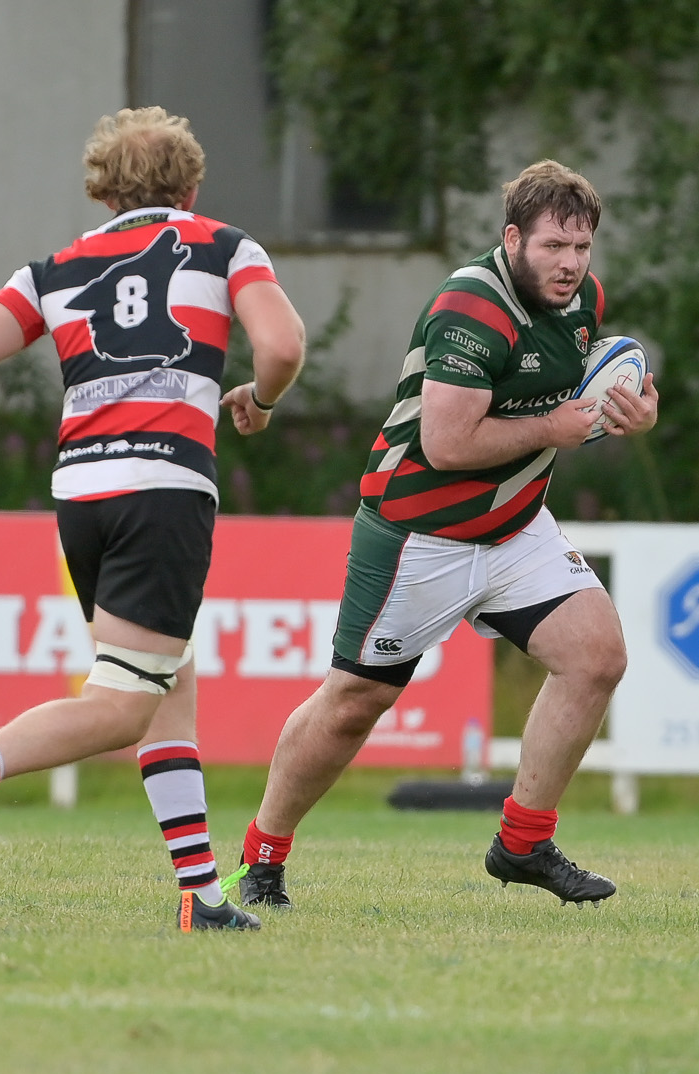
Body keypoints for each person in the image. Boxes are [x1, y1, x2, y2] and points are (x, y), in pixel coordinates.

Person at [0, 107, 305, 932]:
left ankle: (201, 897)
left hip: (82, 493)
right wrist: (259, 399)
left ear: (103, 192)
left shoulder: (54, 269)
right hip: (163, 488)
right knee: (122, 703)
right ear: (191, 188)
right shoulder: (223, 246)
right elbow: (283, 346)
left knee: (166, 681)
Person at [232, 160, 657, 908]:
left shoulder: (584, 302)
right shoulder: (471, 307)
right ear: (512, 239)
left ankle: (523, 844)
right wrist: (552, 428)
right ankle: (261, 858)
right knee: (352, 704)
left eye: (581, 247)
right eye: (553, 246)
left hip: (515, 527)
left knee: (597, 657)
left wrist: (633, 414)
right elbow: (448, 443)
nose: (569, 264)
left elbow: (579, 401)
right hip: (417, 535)